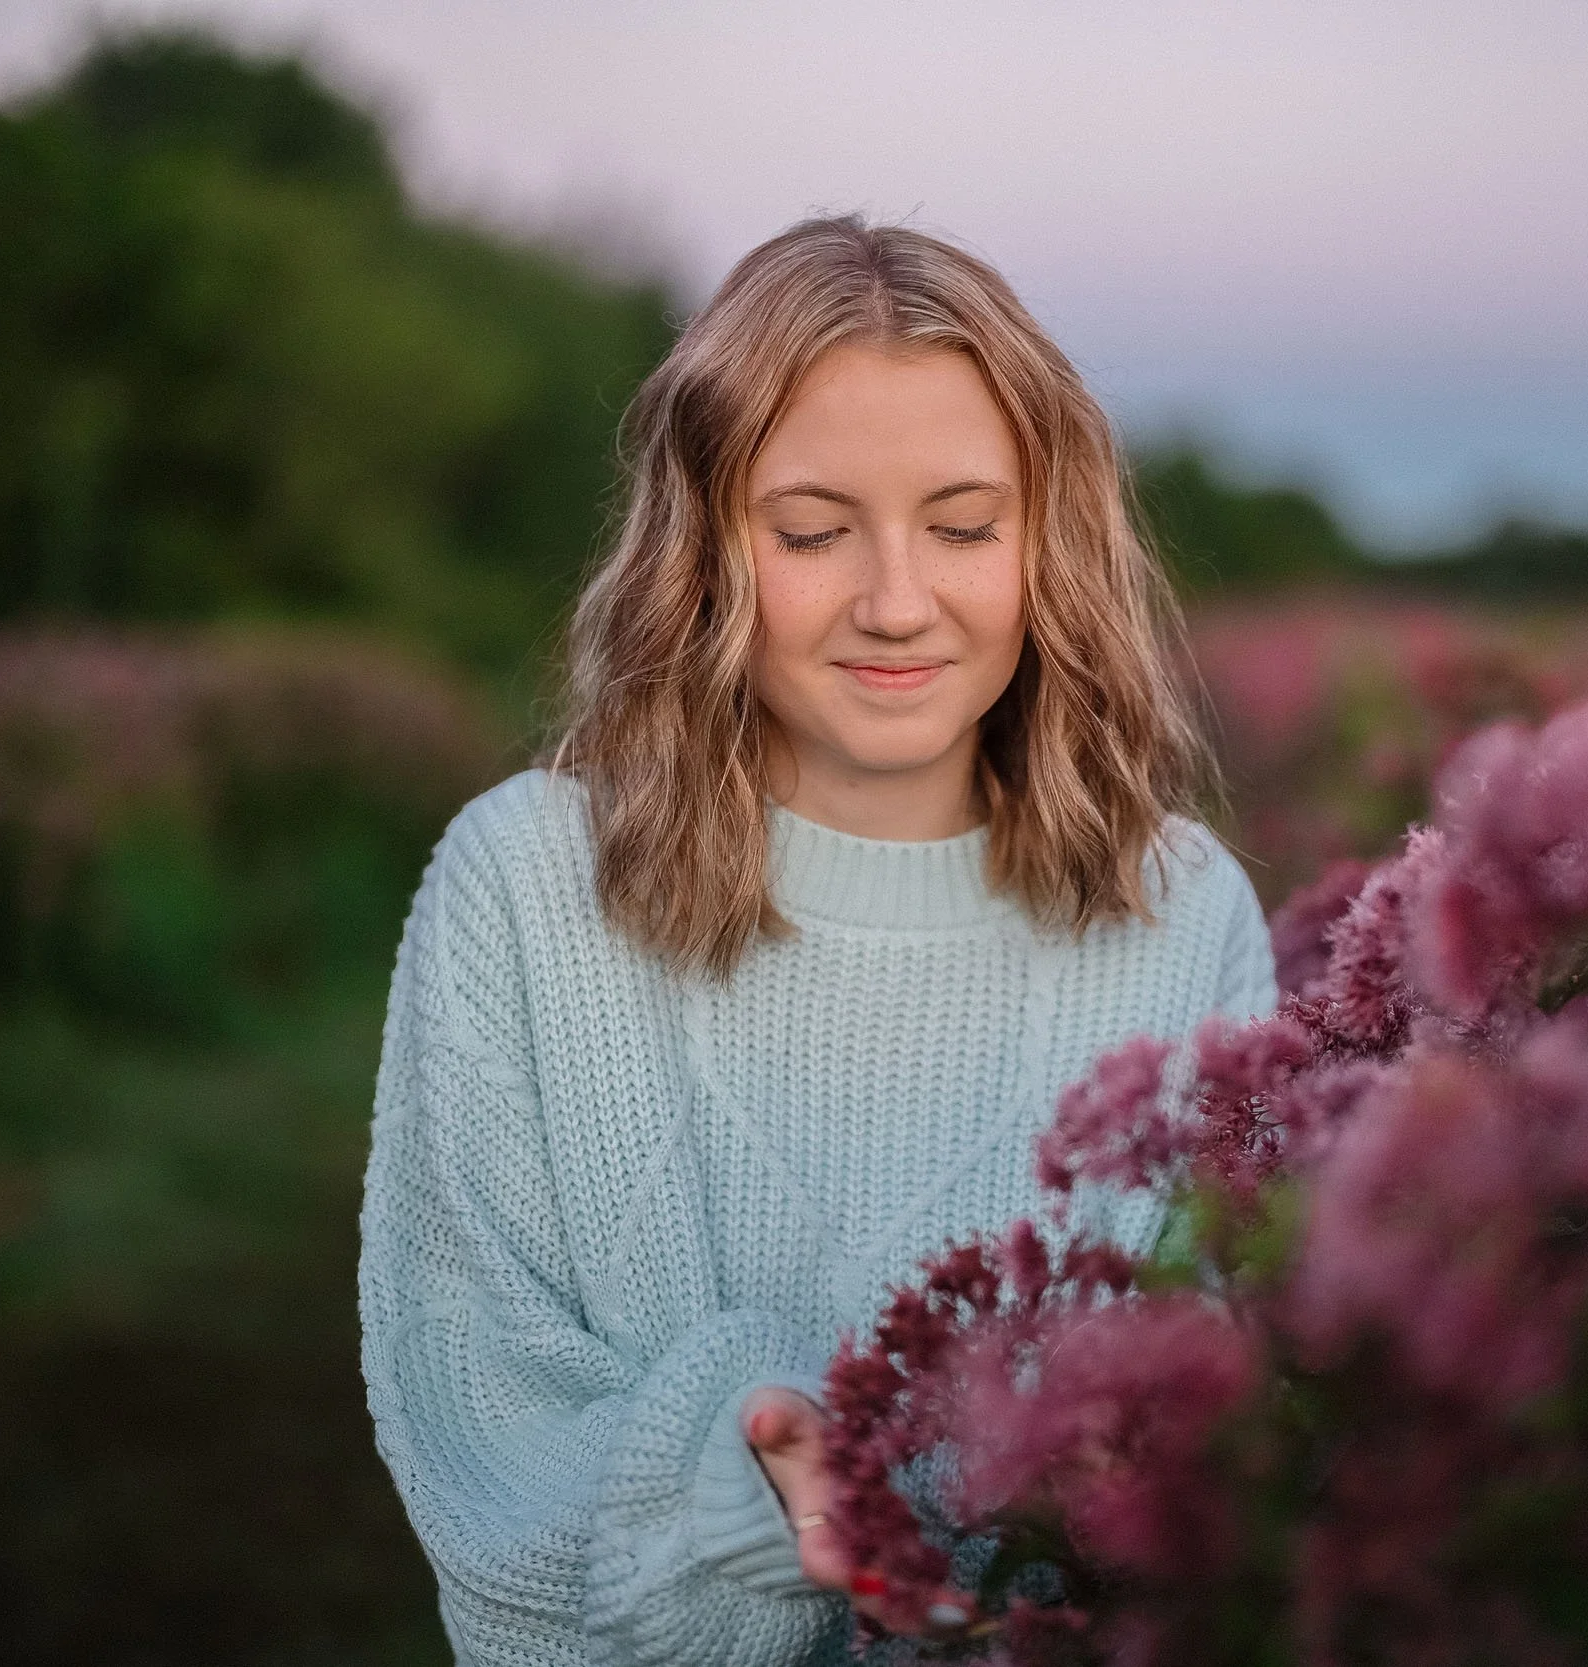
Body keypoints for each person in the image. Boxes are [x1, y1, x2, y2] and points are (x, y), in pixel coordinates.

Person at [357, 215, 1276, 1667]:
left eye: (966, 527)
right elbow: (480, 1416)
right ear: (705, 545)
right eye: (811, 531)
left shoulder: (1185, 915)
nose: (897, 600)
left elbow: (1224, 1424)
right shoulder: (524, 888)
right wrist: (740, 1483)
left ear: (1052, 542)